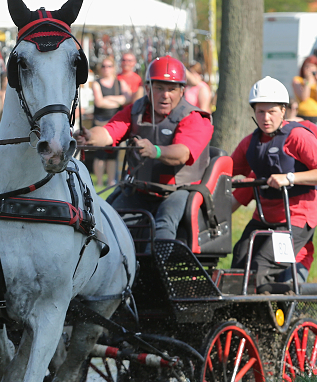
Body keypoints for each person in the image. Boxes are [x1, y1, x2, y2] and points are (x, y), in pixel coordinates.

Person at [77, 56, 214, 246]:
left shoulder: (194, 118)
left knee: (164, 226)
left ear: (182, 91)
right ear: (148, 88)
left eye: (171, 89)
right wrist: (90, 137)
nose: (165, 95)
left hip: (178, 192)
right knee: (105, 221)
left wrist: (155, 151)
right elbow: (110, 132)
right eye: (159, 88)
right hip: (139, 189)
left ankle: (159, 268)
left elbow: (182, 153)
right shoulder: (136, 110)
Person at [229, 76, 317, 287]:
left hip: (296, 219)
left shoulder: (298, 136)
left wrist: (289, 178)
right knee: (239, 260)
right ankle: (237, 316)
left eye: (271, 111)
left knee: (262, 265)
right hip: (264, 218)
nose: (266, 118)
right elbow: (225, 173)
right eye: (260, 111)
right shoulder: (250, 144)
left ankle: (263, 317)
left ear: (283, 110)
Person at [90, 57, 131, 187]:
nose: (106, 69)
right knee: (100, 154)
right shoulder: (97, 83)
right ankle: (100, 182)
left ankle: (111, 182)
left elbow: (128, 98)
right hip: (100, 123)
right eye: (103, 66)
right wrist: (118, 100)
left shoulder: (120, 83)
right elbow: (99, 102)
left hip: (115, 122)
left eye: (109, 66)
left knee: (113, 154)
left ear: (113, 68)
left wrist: (109, 98)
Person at [291, 55, 317, 124]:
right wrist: (308, 82)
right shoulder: (297, 80)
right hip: (303, 115)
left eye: (312, 67)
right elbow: (304, 98)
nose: (309, 69)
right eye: (307, 67)